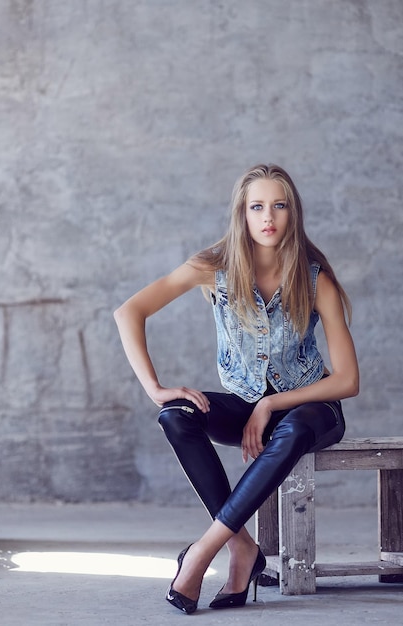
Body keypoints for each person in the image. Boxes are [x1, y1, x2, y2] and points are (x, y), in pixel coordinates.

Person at [114, 163, 359, 614]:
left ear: (293, 213)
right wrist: (155, 388)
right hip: (246, 404)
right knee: (175, 415)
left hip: (312, 407)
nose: (269, 217)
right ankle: (243, 547)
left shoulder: (313, 278)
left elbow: (347, 381)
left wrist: (272, 404)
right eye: (257, 206)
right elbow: (129, 312)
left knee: (296, 424)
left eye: (279, 206)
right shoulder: (213, 268)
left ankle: (203, 551)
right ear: (242, 215)